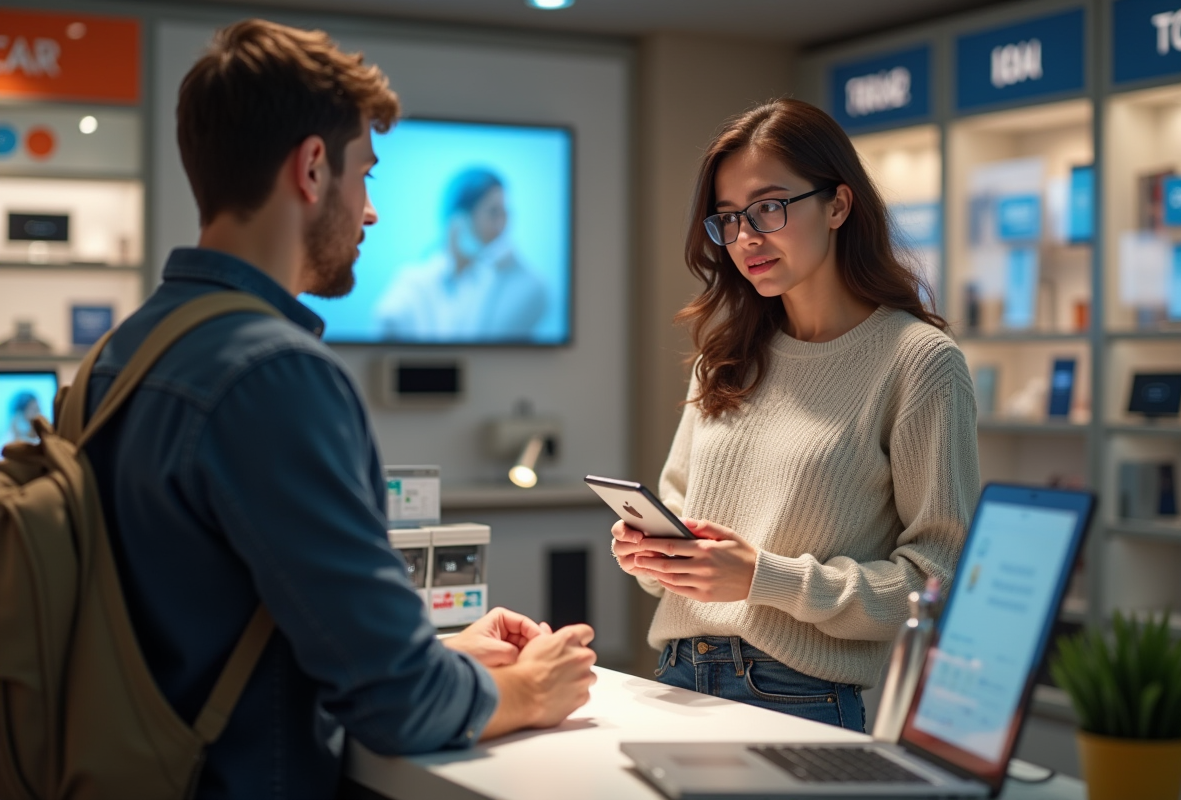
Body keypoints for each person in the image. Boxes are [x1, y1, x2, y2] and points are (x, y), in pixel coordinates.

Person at [81, 19, 595, 799]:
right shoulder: (275, 375)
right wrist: (528, 691)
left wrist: (437, 654)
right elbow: (400, 703)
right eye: (369, 176)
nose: (372, 212)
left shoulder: (116, 357)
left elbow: (218, 624)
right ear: (313, 167)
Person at [611, 98, 980, 732]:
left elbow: (938, 585)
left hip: (797, 697)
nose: (746, 237)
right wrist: (654, 554)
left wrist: (763, 577)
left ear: (838, 205)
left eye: (769, 206)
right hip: (675, 677)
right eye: (727, 219)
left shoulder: (918, 362)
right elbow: (676, 545)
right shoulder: (724, 359)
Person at [374, 167, 547, 341]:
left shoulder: (503, 279)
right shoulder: (413, 283)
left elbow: (535, 300)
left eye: (505, 214)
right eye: (494, 213)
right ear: (460, 220)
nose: (502, 225)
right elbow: (387, 324)